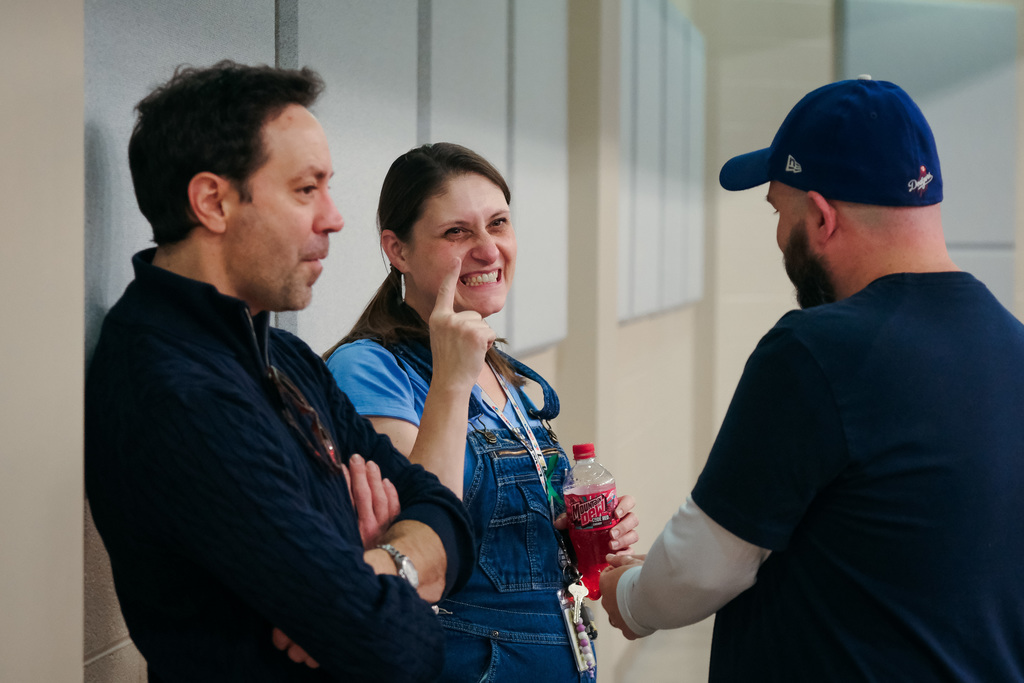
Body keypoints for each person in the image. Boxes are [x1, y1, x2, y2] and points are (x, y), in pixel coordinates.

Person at [600, 77, 1024, 680]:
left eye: (779, 211)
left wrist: (629, 595)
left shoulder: (816, 349)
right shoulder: (1015, 345)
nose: (778, 235)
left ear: (821, 217)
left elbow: (702, 568)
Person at [84, 61, 488, 682]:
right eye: (306, 190)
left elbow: (444, 511)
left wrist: (380, 564)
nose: (333, 218)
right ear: (213, 201)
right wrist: (406, 569)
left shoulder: (283, 356)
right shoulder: (177, 392)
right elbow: (399, 649)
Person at [323, 142, 640, 682]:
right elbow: (417, 529)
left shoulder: (501, 370)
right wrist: (451, 377)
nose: (489, 250)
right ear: (397, 250)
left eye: (498, 223)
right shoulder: (369, 369)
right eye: (457, 232)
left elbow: (501, 539)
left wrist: (576, 536)